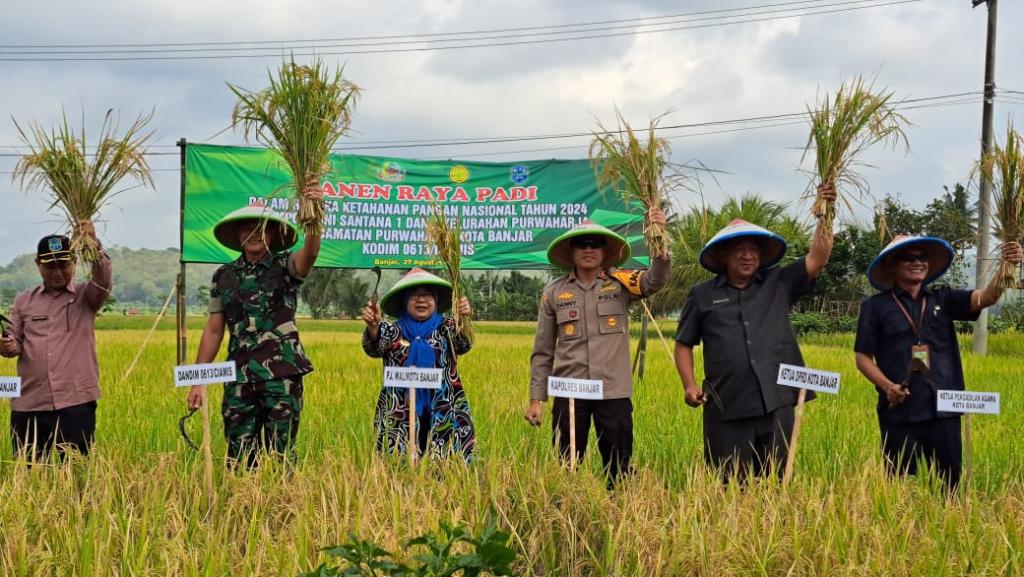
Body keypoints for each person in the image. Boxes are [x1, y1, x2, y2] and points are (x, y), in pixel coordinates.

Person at [674, 184, 835, 482]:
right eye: (739, 250)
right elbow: (683, 344)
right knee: (729, 484)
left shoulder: (779, 283)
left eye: (753, 250)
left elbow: (818, 257)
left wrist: (825, 215)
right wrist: (689, 385)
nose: (748, 256)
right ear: (723, 256)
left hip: (777, 400)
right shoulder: (702, 295)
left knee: (775, 480)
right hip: (727, 403)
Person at [854, 235, 1022, 489]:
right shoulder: (875, 307)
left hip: (944, 408)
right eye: (908, 257)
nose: (917, 262)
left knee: (950, 485)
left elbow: (986, 297)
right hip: (900, 409)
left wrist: (1006, 266)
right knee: (900, 488)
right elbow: (862, 357)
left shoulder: (943, 299)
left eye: (922, 257)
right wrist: (888, 387)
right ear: (892, 264)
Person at [525, 209, 670, 487]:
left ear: (605, 251)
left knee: (619, 464)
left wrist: (659, 240)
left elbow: (656, 280)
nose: (589, 249)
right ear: (572, 250)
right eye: (582, 244)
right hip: (570, 391)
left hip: (612, 390)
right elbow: (543, 351)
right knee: (567, 465)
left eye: (596, 243)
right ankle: (569, 516)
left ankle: (619, 515)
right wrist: (536, 399)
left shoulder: (621, 285)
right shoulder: (554, 293)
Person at [186, 186, 322, 469]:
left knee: (281, 456)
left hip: (281, 376)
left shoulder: (286, 266)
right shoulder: (223, 276)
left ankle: (283, 509)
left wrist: (313, 216)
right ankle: (244, 508)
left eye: (260, 228)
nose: (254, 233)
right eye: (247, 228)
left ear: (271, 234)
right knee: (238, 457)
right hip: (239, 377)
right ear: (238, 236)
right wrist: (197, 379)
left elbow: (309, 254)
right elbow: (214, 330)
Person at [0, 221, 112, 462]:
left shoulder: (87, 297)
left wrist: (92, 245)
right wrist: (7, 346)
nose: (58, 272)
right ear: (38, 265)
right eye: (50, 266)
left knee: (76, 473)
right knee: (28, 474)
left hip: (75, 402)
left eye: (64, 265)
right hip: (30, 403)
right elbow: (13, 343)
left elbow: (103, 279)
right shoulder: (23, 302)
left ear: (73, 262)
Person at [361, 268, 476, 462]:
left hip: (442, 409)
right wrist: (373, 327)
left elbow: (463, 344)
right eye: (414, 295)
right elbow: (374, 348)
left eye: (427, 294)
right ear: (405, 300)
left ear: (436, 301)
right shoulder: (391, 330)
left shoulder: (447, 327)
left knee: (444, 465)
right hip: (399, 410)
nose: (421, 300)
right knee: (398, 465)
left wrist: (463, 318)